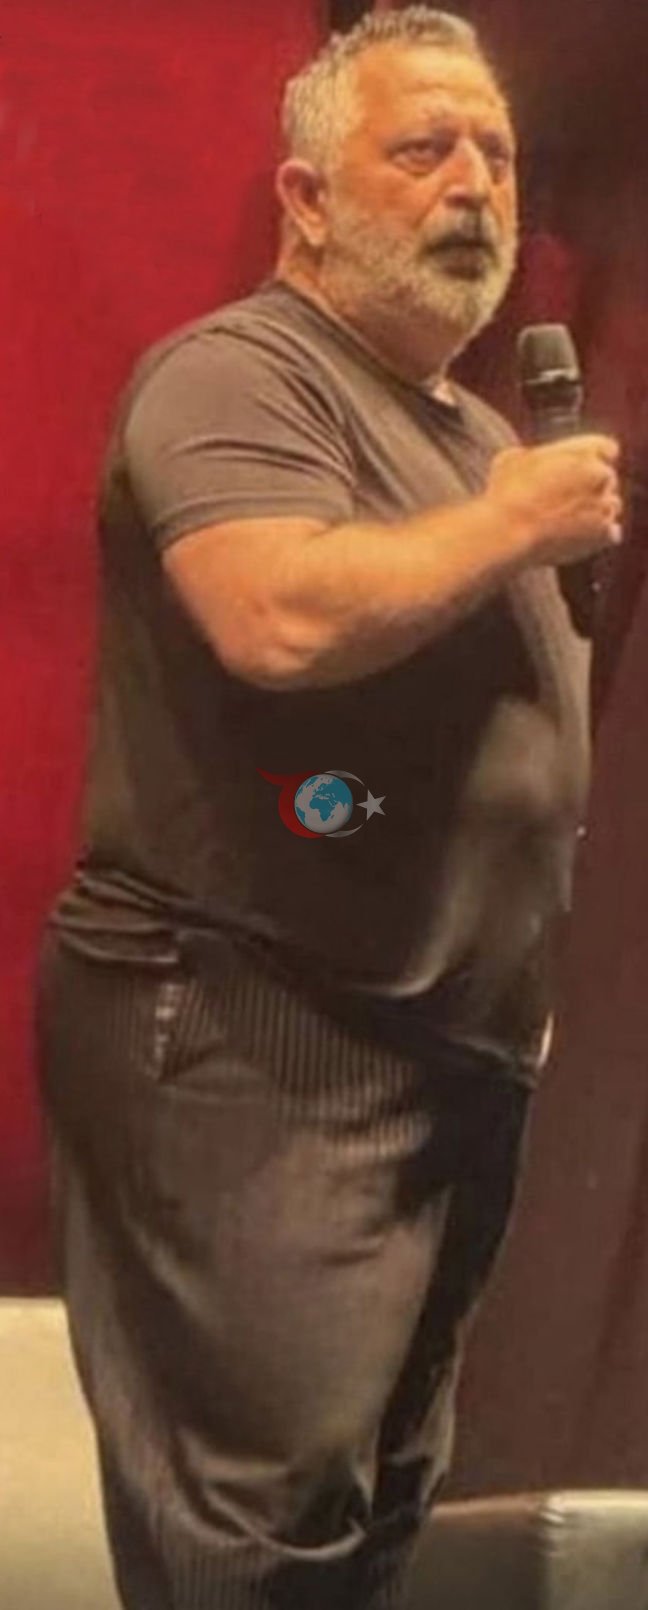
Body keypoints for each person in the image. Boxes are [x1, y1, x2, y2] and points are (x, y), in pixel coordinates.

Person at [35, 9, 622, 1609]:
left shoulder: (475, 430)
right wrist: (510, 525)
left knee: (370, 1525)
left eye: (496, 154)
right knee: (262, 1535)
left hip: (442, 1058)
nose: (474, 185)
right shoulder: (236, 375)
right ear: (305, 199)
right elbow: (278, 617)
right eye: (424, 148)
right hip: (256, 1036)